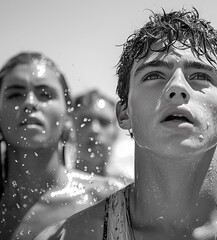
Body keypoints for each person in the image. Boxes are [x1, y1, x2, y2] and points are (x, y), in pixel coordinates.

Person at [34, 9, 217, 240]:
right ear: (124, 113)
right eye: (154, 75)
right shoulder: (72, 236)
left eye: (200, 77)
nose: (177, 89)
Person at [0, 52, 124, 240]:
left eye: (45, 94)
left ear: (68, 117)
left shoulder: (109, 200)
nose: (30, 103)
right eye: (15, 94)